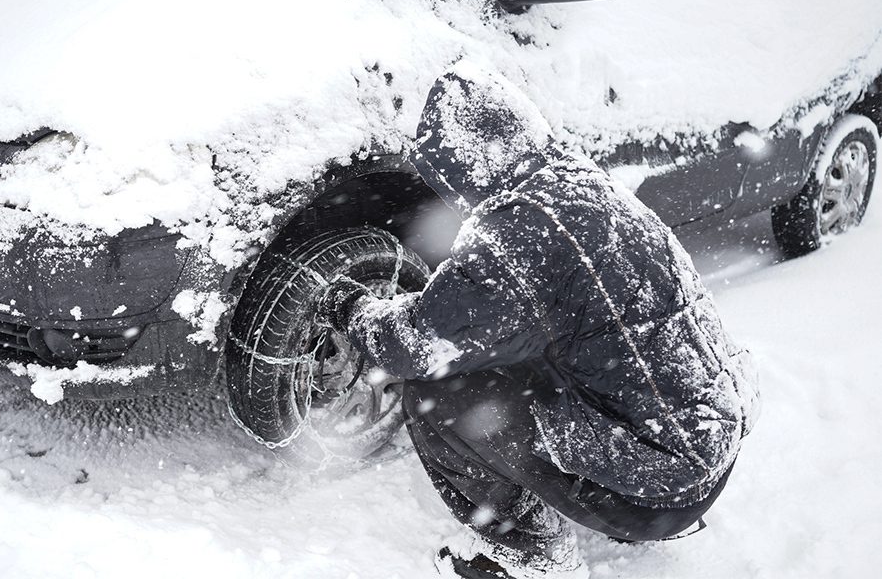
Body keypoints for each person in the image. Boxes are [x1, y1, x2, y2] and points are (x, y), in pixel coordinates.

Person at [316, 62, 759, 578]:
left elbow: (415, 343)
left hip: (662, 482)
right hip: (705, 447)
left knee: (436, 394)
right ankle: (636, 498)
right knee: (539, 366)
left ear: (466, 166)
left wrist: (352, 307)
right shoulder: (581, 185)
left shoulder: (519, 238)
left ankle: (530, 554)